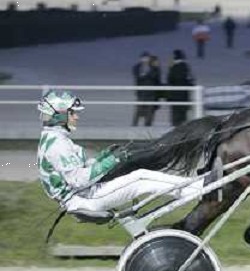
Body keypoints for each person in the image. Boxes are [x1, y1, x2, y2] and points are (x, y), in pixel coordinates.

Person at [37, 90, 204, 214]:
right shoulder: (57, 145)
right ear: (59, 115)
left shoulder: (54, 139)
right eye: (72, 113)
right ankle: (200, 189)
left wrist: (103, 158)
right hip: (84, 200)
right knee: (141, 177)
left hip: (83, 196)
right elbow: (79, 180)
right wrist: (111, 161)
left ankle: (196, 187)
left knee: (142, 176)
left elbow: (80, 171)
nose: (76, 117)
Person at [132, 51, 162, 126]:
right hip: (141, 93)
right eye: (143, 58)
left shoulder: (154, 68)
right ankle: (134, 126)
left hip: (151, 93)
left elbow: (155, 76)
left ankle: (147, 126)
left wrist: (146, 75)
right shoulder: (137, 67)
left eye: (146, 58)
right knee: (139, 111)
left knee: (149, 111)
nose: (145, 60)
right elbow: (137, 75)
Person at [167, 49, 194, 126]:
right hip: (184, 94)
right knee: (183, 115)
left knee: (176, 115)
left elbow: (170, 79)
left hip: (175, 95)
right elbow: (190, 80)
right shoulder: (185, 67)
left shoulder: (174, 67)